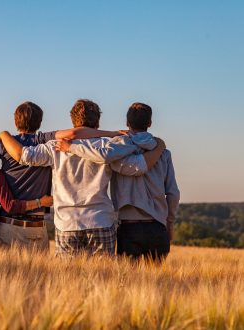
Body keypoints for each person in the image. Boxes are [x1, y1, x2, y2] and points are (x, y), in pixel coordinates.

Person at [0, 100, 165, 256]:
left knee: (68, 283)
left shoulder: (54, 147)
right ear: (97, 123)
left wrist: (4, 135)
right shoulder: (108, 146)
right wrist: (158, 147)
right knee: (103, 281)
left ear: (73, 121)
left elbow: (24, 156)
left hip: (67, 223)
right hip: (101, 221)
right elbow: (136, 166)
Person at [0, 101, 125, 250]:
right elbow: (74, 134)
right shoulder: (44, 139)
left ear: (16, 122)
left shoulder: (3, 144)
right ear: (40, 122)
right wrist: (112, 134)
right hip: (39, 226)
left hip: (10, 224)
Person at [56, 102, 180, 262]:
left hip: (129, 228)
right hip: (158, 227)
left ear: (127, 123)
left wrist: (71, 147)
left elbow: (103, 156)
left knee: (128, 283)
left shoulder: (116, 150)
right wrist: (169, 224)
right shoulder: (163, 153)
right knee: (156, 284)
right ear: (149, 123)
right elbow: (173, 193)